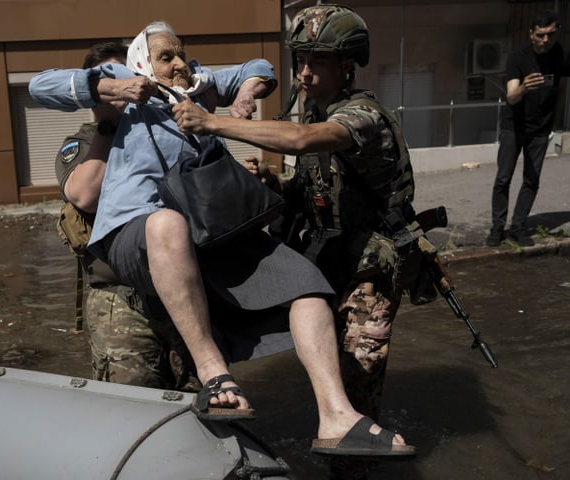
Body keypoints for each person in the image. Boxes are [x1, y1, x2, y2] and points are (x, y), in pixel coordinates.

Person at [30, 20, 415, 457]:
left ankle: (337, 418)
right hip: (135, 242)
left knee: (308, 286)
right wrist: (108, 91)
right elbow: (42, 87)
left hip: (205, 241)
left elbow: (260, 66)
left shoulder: (200, 86)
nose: (179, 63)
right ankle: (213, 372)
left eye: (181, 52)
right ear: (139, 63)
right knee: (164, 230)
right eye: (166, 56)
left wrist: (248, 89)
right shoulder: (124, 92)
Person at [173, 3, 428, 468]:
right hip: (324, 261)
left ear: (348, 64)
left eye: (319, 62)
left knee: (356, 384)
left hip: (367, 272)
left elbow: (303, 140)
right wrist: (276, 186)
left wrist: (212, 122)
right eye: (301, 61)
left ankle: (352, 467)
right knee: (322, 374)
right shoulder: (316, 109)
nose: (305, 73)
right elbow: (313, 187)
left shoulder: (363, 115)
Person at [55, 41, 199, 392]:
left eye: (129, 75)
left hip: (181, 291)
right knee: (135, 401)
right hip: (119, 300)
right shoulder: (83, 142)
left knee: (197, 395)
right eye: (111, 80)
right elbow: (86, 195)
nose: (125, 86)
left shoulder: (160, 130)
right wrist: (109, 125)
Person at [487, 10, 570, 247]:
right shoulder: (518, 58)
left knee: (531, 180)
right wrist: (523, 87)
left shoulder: (560, 53)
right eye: (541, 35)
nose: (546, 40)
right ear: (531, 33)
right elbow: (512, 97)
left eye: (551, 34)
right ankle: (497, 227)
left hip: (541, 130)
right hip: (514, 127)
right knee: (504, 178)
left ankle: (519, 227)